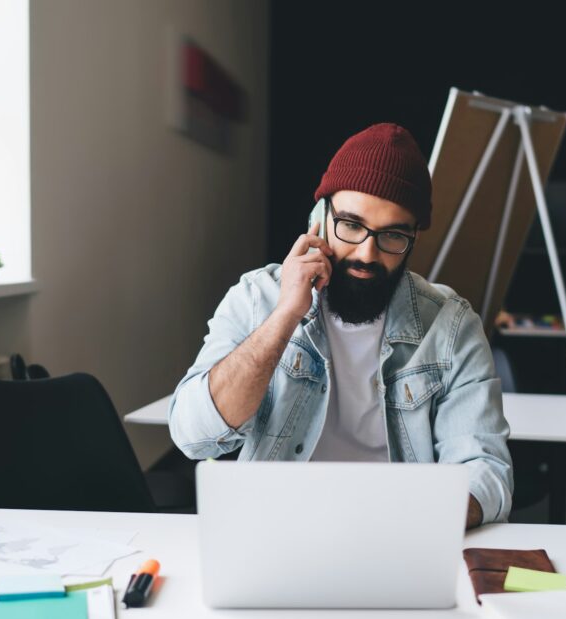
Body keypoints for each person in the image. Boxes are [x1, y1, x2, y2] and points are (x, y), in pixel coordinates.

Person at [169, 123, 513, 529]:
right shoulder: (257, 298)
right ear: (319, 218)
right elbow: (193, 435)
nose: (367, 253)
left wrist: (421, 522)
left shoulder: (453, 325)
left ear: (414, 238)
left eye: (392, 235)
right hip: (275, 531)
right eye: (350, 225)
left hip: (399, 535)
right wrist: (284, 318)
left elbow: (486, 469)